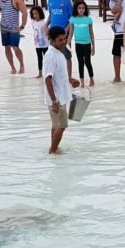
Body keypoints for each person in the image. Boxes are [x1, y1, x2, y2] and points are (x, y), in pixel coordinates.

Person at [43, 26, 81, 155]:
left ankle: (53, 147)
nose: (64, 42)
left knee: (56, 124)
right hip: (57, 98)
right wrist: (54, 100)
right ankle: (53, 150)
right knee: (61, 125)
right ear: (51, 41)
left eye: (65, 39)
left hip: (61, 96)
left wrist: (70, 80)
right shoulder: (50, 56)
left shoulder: (59, 52)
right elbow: (48, 79)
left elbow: (58, 74)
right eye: (60, 40)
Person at [47, 0, 75, 78]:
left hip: (64, 32)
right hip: (53, 32)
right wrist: (46, 26)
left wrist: (67, 29)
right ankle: (55, 76)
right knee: (53, 55)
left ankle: (69, 77)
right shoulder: (50, 0)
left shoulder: (67, 1)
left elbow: (72, 17)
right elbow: (50, 15)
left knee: (66, 55)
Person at [67, 0, 96, 86]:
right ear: (76, 9)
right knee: (80, 62)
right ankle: (82, 82)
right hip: (78, 44)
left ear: (85, 9)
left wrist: (93, 47)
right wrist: (68, 44)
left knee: (87, 62)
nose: (81, 10)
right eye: (79, 8)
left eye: (83, 8)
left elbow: (91, 33)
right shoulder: (73, 19)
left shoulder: (88, 19)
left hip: (87, 44)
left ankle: (91, 79)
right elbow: (71, 33)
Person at [29, 6, 48, 78]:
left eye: (36, 14)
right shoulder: (33, 22)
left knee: (46, 58)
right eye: (33, 14)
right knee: (39, 58)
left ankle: (48, 72)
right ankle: (40, 73)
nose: (35, 16)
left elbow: (47, 32)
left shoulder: (44, 22)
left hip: (45, 43)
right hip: (37, 44)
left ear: (40, 13)